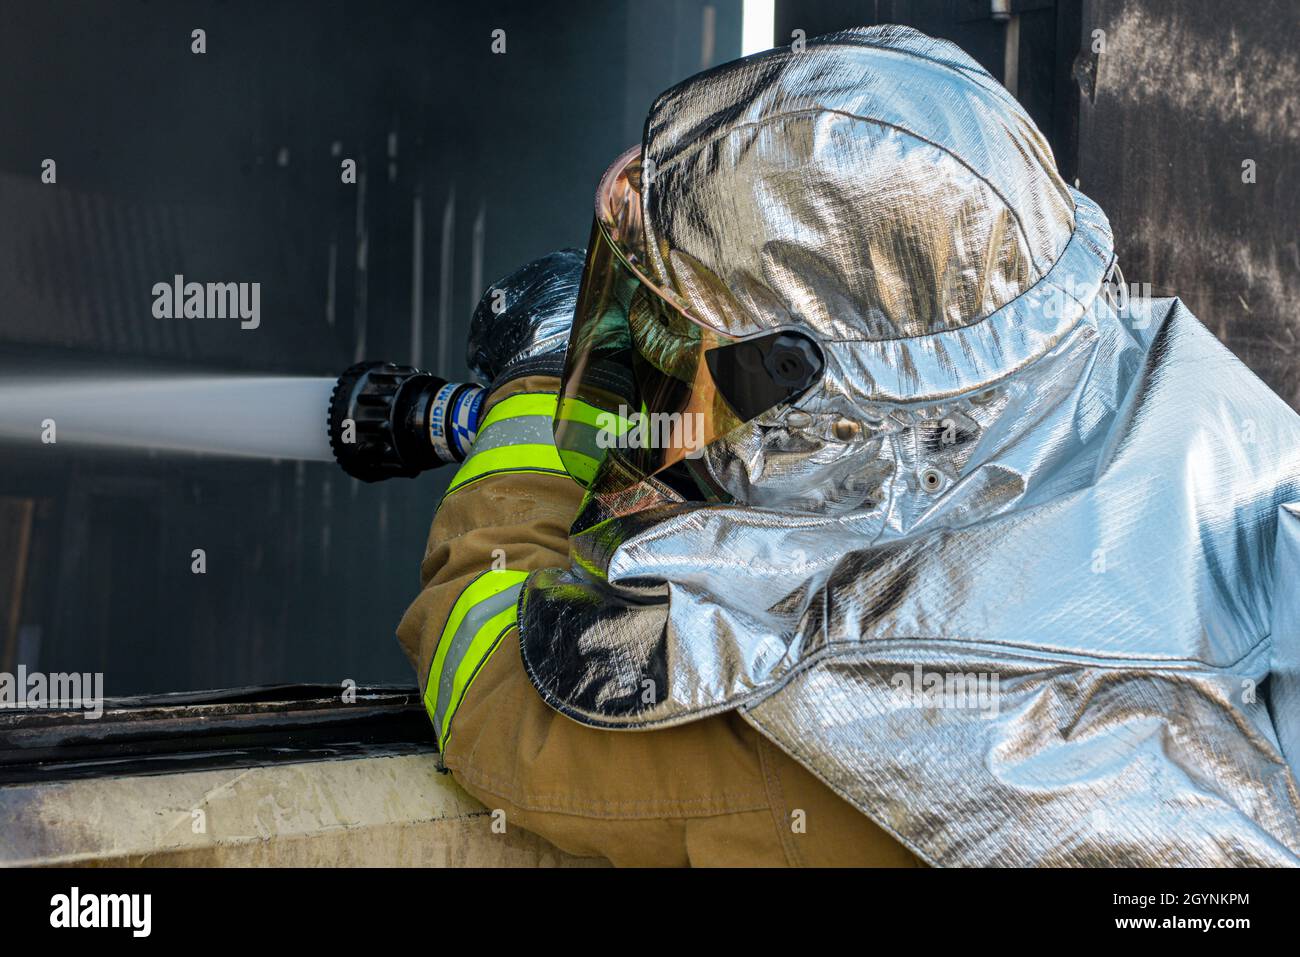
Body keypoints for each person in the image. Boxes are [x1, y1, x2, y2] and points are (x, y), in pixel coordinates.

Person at [398, 25, 1300, 866]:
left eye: (685, 352)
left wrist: (546, 386)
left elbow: (500, 696)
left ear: (833, 413)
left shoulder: (881, 714)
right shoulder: (1170, 396)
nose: (657, 375)